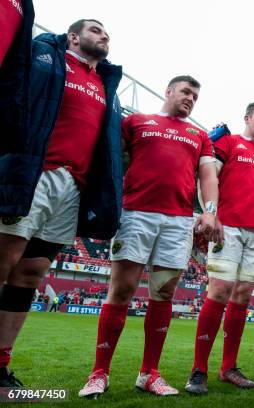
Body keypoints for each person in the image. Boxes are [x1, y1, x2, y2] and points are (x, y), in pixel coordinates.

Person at [0, 19, 123, 388]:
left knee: (31, 271)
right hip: (34, 172)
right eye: (97, 30)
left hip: (72, 186)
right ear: (73, 36)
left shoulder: (106, 84)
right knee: (4, 260)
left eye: (107, 33)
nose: (105, 35)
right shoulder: (42, 55)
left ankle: (1, 363)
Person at [78, 75, 218, 398]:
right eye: (186, 92)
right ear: (169, 91)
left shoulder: (199, 135)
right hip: (136, 213)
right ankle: (99, 373)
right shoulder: (136, 121)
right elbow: (111, 158)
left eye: (195, 96)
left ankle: (149, 373)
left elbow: (209, 174)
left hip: (179, 221)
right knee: (122, 289)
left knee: (164, 293)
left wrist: (210, 210)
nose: (190, 99)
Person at [186, 102, 254, 394]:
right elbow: (208, 177)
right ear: (247, 118)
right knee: (219, 291)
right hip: (228, 229)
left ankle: (228, 367)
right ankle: (198, 370)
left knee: (242, 296)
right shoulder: (229, 142)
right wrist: (210, 214)